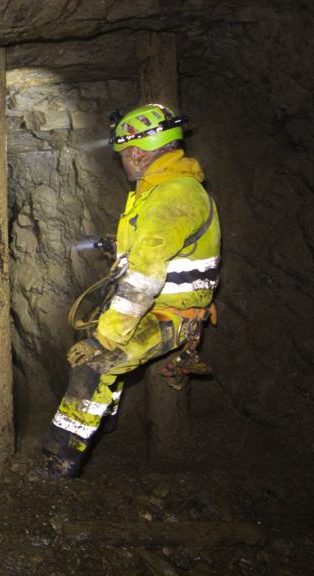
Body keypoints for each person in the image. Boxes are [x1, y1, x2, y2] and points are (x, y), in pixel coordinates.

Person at [34, 103, 221, 480]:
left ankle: (59, 464)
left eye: (123, 155)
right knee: (93, 347)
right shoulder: (161, 190)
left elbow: (144, 279)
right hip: (159, 305)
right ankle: (104, 417)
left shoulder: (172, 196)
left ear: (137, 151)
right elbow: (158, 248)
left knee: (93, 364)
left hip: (171, 314)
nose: (123, 163)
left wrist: (105, 339)